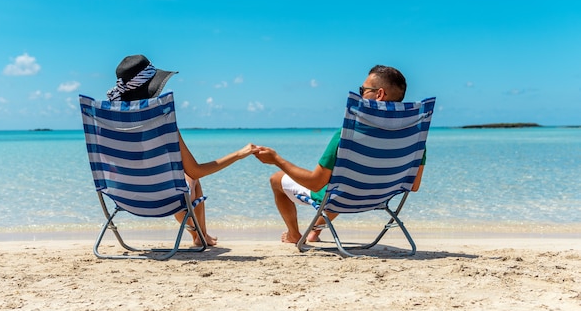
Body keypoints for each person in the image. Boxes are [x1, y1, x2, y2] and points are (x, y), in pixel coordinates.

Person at [108, 54, 256, 246]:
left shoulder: (108, 123)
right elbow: (195, 170)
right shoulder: (160, 121)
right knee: (191, 178)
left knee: (176, 183)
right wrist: (239, 154)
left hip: (124, 197)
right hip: (163, 200)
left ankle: (200, 235)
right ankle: (199, 236)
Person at [254, 65, 408, 244]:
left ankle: (294, 234)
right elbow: (414, 185)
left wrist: (276, 160)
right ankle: (314, 232)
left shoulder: (347, 135)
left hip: (345, 196)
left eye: (363, 90)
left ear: (379, 94)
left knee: (277, 179)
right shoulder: (413, 135)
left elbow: (315, 183)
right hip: (379, 197)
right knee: (345, 183)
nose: (361, 94)